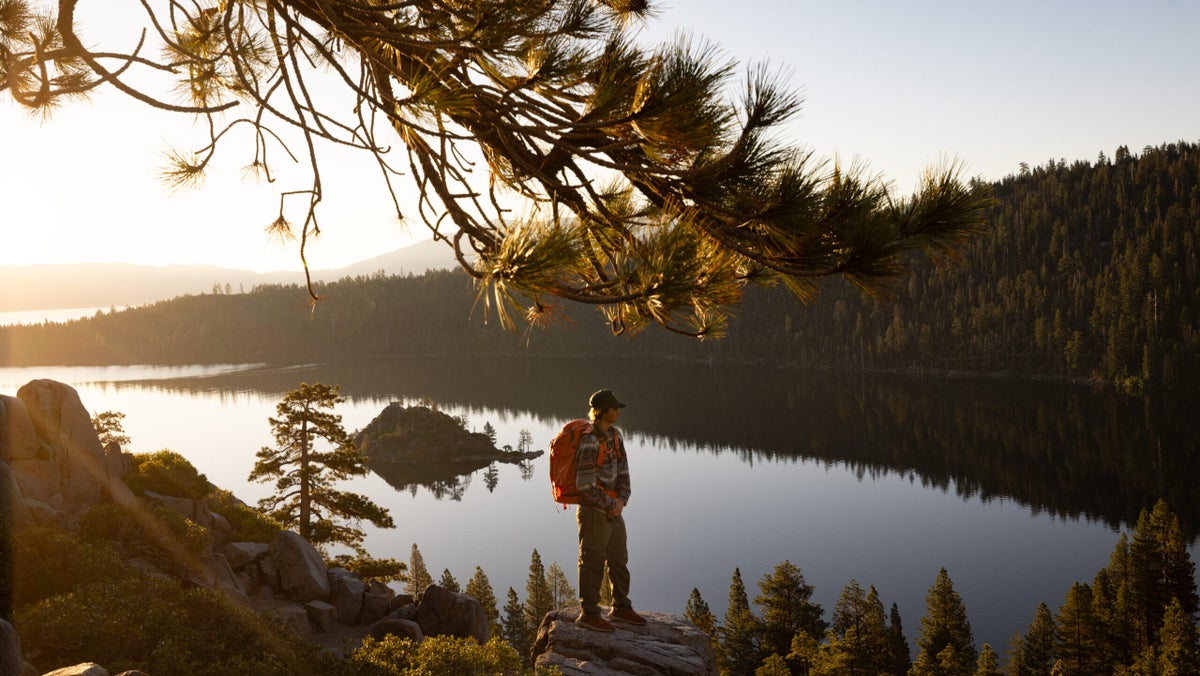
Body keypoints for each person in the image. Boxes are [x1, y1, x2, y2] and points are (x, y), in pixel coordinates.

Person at [574, 388, 646, 632]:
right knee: (592, 561)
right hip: (594, 511)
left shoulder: (615, 435)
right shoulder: (589, 439)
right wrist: (609, 505)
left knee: (619, 559)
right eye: (613, 408)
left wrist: (622, 501)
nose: (617, 411)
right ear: (602, 411)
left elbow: (624, 471)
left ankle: (621, 608)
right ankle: (590, 613)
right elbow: (583, 484)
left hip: (614, 508)